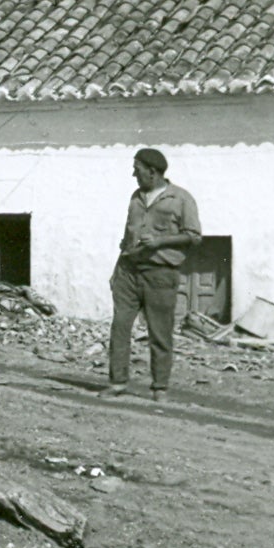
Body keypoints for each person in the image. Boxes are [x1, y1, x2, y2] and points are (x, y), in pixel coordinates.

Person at [102, 147, 201, 401]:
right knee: (120, 328)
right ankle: (117, 383)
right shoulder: (135, 198)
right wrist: (117, 270)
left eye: (138, 170)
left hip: (160, 274)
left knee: (160, 332)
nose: (134, 174)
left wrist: (159, 242)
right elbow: (127, 238)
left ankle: (159, 388)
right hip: (128, 272)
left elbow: (194, 236)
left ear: (153, 172)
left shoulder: (181, 199)